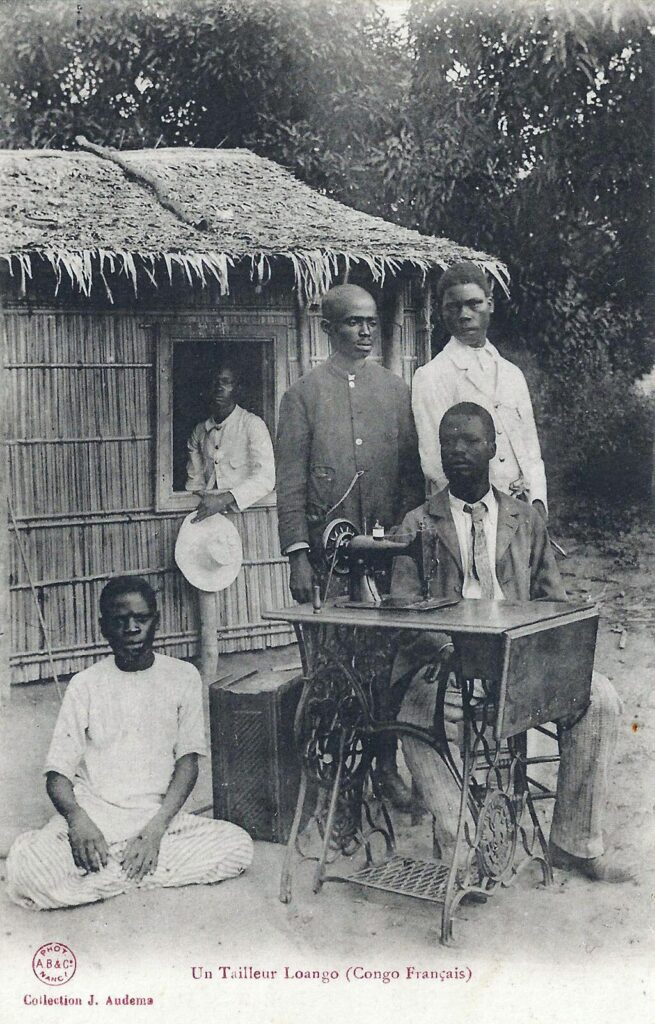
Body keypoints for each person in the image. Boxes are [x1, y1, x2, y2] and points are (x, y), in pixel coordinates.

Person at [390, 402, 630, 882]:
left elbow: (552, 601)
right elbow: (403, 608)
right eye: (449, 441)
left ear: (494, 449)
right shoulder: (416, 524)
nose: (458, 450)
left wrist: (544, 655)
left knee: (599, 697)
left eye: (471, 441)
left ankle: (573, 842)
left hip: (520, 665)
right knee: (413, 711)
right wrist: (443, 650)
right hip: (449, 662)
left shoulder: (525, 519)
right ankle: (468, 843)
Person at [6, 577, 253, 910]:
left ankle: (107, 873)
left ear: (157, 620)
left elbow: (188, 764)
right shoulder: (85, 685)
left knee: (238, 847)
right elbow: (57, 776)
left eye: (142, 618)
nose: (132, 628)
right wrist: (78, 821)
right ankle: (131, 869)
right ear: (103, 627)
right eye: (119, 621)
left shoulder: (182, 676)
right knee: (30, 874)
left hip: (157, 819)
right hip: (95, 820)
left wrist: (154, 833)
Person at [276, 283, 424, 808]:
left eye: (370, 323)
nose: (364, 331)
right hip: (329, 562)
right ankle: (336, 781)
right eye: (352, 323)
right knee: (331, 668)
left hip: (388, 560)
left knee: (388, 667)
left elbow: (412, 481)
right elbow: (290, 484)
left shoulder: (396, 391)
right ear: (328, 329)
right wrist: (298, 555)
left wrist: (408, 549)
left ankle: (385, 768)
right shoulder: (302, 396)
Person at [411, 261, 548, 519]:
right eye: (454, 307)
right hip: (474, 513)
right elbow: (435, 463)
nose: (465, 314)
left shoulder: (511, 374)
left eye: (474, 304)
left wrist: (538, 502)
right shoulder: (431, 376)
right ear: (441, 312)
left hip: (524, 511)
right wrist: (477, 515)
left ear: (490, 305)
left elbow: (531, 450)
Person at [186, 360, 275, 522]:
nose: (219, 388)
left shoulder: (252, 425)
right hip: (206, 517)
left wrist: (223, 499)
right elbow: (194, 481)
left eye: (226, 382)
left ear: (237, 388)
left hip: (246, 516)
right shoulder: (199, 431)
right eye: (215, 382)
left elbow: (266, 477)